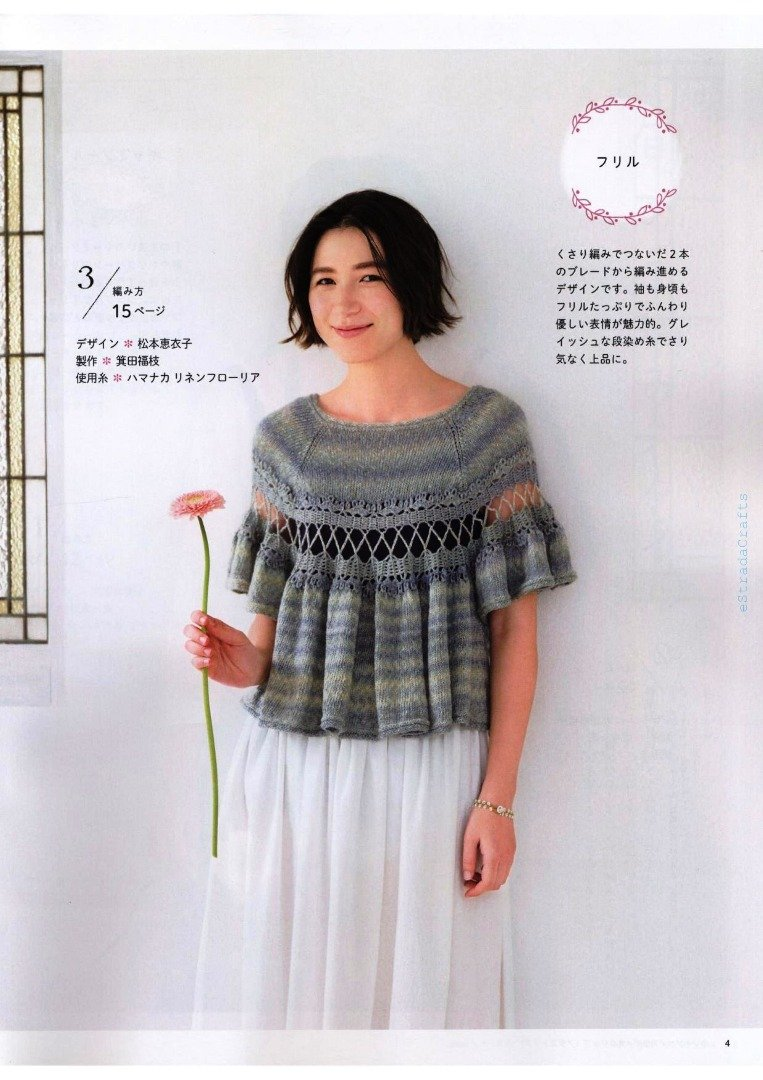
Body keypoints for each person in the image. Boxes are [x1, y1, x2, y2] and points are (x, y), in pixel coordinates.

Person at [186, 189, 577, 1030]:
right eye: (322, 281)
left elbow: (514, 630)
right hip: (298, 762)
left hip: (432, 762)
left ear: (412, 281)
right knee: (300, 999)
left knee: (424, 999)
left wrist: (497, 800)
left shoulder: (486, 431)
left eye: (368, 276)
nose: (344, 303)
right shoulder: (284, 442)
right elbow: (265, 648)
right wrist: (234, 660)